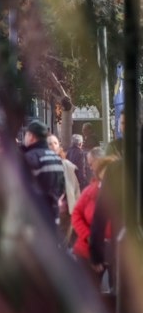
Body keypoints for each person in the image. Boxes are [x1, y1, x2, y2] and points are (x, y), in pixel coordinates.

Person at [72, 153, 114, 281]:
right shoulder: (89, 192)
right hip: (88, 250)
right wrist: (88, 236)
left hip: (116, 252)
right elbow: (76, 214)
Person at [22, 119, 65, 226]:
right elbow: (61, 186)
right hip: (53, 216)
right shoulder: (56, 158)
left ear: (31, 136)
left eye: (26, 134)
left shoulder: (30, 157)